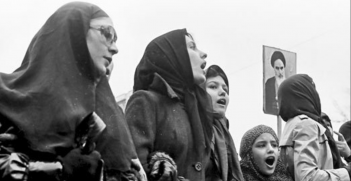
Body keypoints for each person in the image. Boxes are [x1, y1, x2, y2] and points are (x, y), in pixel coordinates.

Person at [0, 2, 141, 180]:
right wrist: (57, 169)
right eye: (107, 33)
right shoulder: (6, 95)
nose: (115, 48)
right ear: (76, 31)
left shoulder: (98, 114)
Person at [125, 29, 213, 181]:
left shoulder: (196, 111)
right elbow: (134, 171)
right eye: (192, 47)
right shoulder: (146, 101)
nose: (203, 53)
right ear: (171, 56)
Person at [278, 74, 351, 181]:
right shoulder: (306, 124)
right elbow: (307, 176)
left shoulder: (291, 125)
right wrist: (347, 173)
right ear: (306, 93)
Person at [204, 65, 244, 181]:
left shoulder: (224, 134)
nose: (222, 92)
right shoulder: (193, 127)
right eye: (213, 86)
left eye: (225, 89)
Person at [264, 51, 286, 115]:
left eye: (281, 68)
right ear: (273, 67)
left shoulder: (289, 84)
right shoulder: (269, 83)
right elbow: (267, 105)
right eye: (277, 68)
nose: (280, 72)